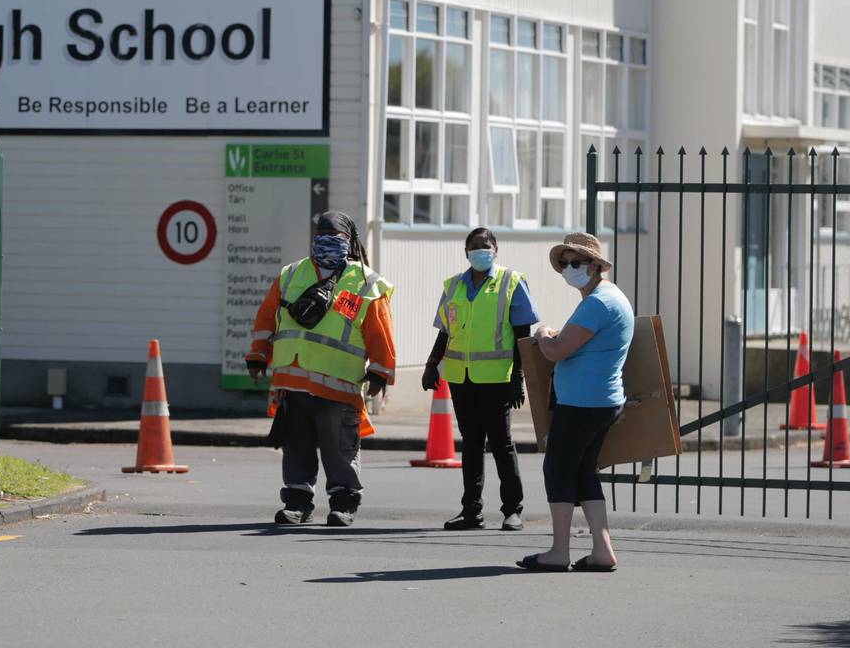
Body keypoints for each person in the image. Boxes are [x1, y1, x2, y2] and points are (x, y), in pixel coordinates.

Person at [245, 211, 396, 527]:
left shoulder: (366, 283)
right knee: (296, 445)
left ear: (349, 241)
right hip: (292, 378)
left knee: (339, 448)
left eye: (335, 234)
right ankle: (297, 501)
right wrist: (258, 354)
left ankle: (343, 502)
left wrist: (380, 373)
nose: (326, 238)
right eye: (321, 232)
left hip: (338, 382)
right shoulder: (291, 274)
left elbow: (380, 331)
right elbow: (266, 317)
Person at [517, 232, 633, 573]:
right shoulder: (605, 298)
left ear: (596, 266)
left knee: (558, 469)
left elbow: (556, 351)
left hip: (585, 402)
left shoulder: (599, 303)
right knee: (583, 472)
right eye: (565, 263)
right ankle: (602, 550)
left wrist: (542, 334)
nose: (570, 269)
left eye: (577, 263)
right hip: (597, 399)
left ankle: (559, 551)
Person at [421, 227, 539, 531]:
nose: (480, 250)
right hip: (462, 378)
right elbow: (445, 331)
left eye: (485, 246)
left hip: (498, 378)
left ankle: (513, 510)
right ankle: (471, 511)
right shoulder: (453, 286)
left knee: (502, 445)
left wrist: (519, 377)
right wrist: (432, 364)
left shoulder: (511, 282)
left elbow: (522, 334)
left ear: (496, 249)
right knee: (471, 445)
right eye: (474, 246)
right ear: (465, 252)